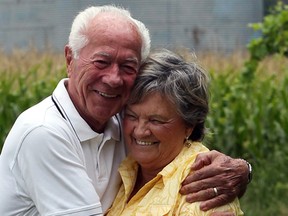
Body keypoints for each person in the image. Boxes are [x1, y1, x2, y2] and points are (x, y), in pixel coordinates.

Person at [0, 5, 250, 216]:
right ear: (69, 59)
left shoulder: (122, 122)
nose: (113, 78)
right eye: (102, 61)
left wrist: (243, 169)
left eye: (128, 66)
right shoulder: (44, 132)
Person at [105, 49, 244, 216]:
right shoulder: (127, 166)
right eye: (132, 116)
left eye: (156, 121)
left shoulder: (203, 182)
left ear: (189, 124)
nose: (140, 131)